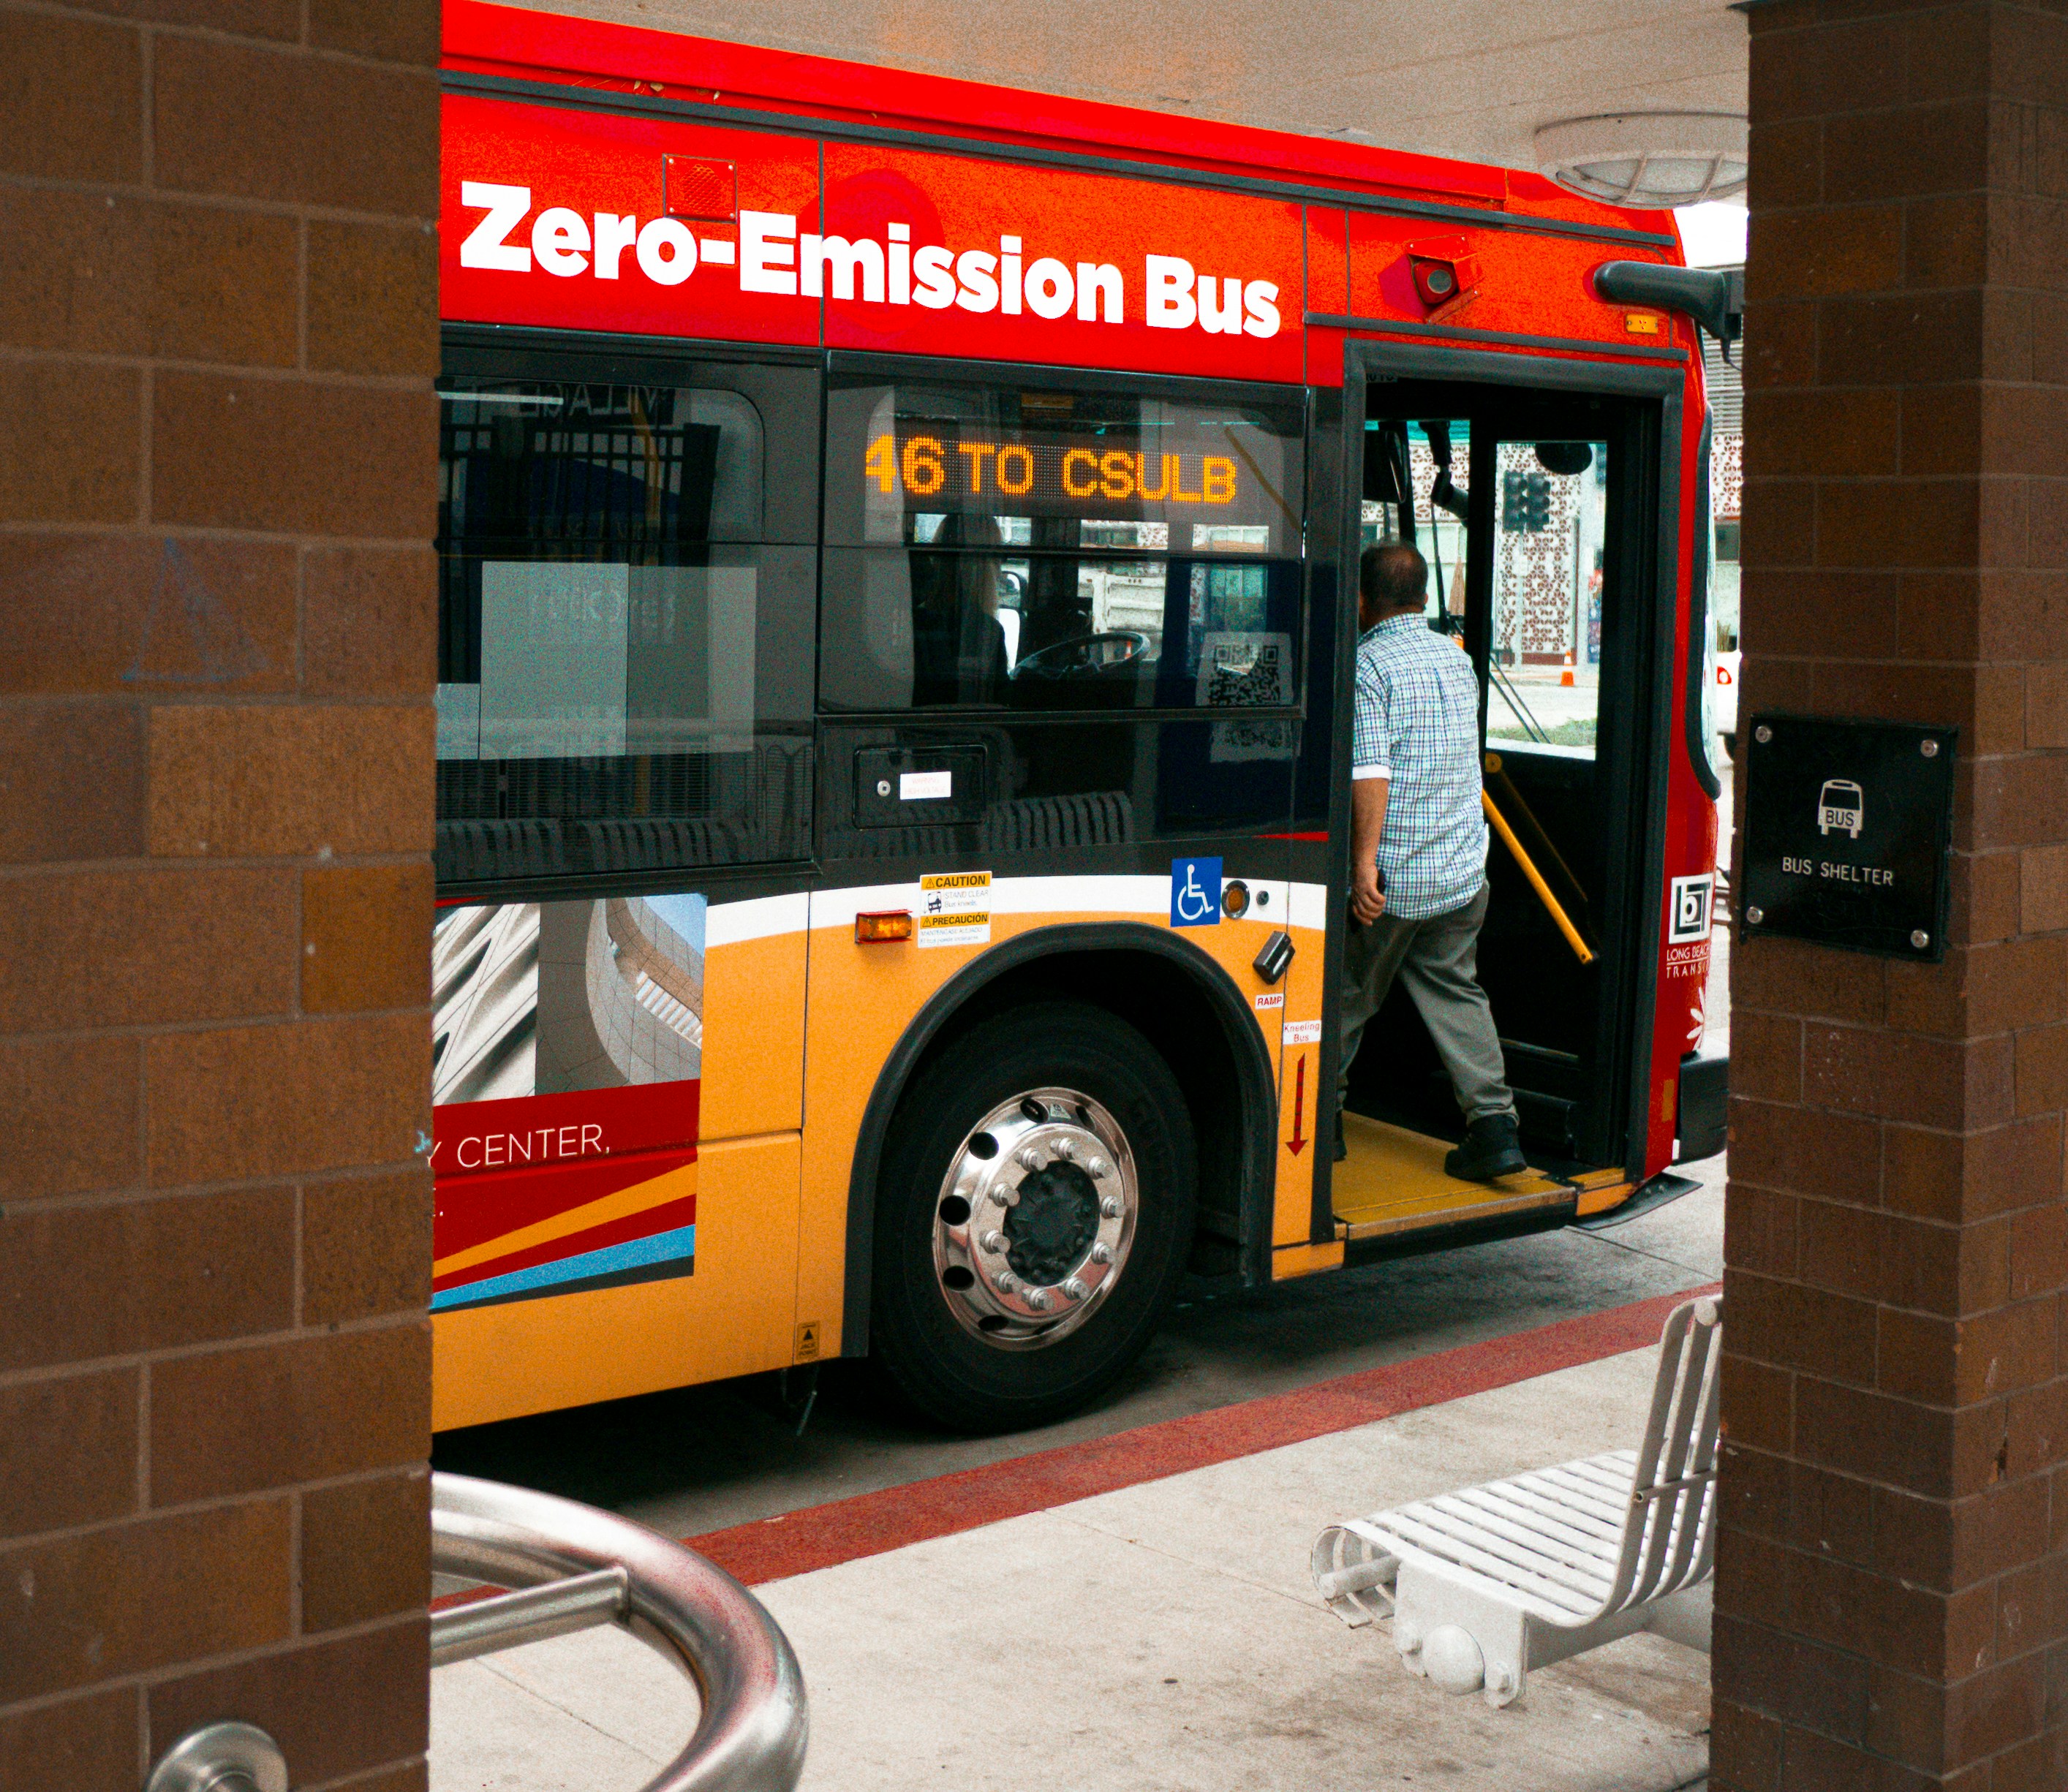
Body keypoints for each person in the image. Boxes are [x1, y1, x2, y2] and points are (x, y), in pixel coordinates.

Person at [1339, 540, 1525, 1181]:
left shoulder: (1367, 666)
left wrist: (1363, 868)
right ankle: (1495, 1128)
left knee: (1345, 995)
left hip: (1394, 881)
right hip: (1460, 870)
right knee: (1456, 990)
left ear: (1362, 599)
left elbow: (1371, 771)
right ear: (1422, 597)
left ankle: (1322, 1124)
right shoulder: (1457, 661)